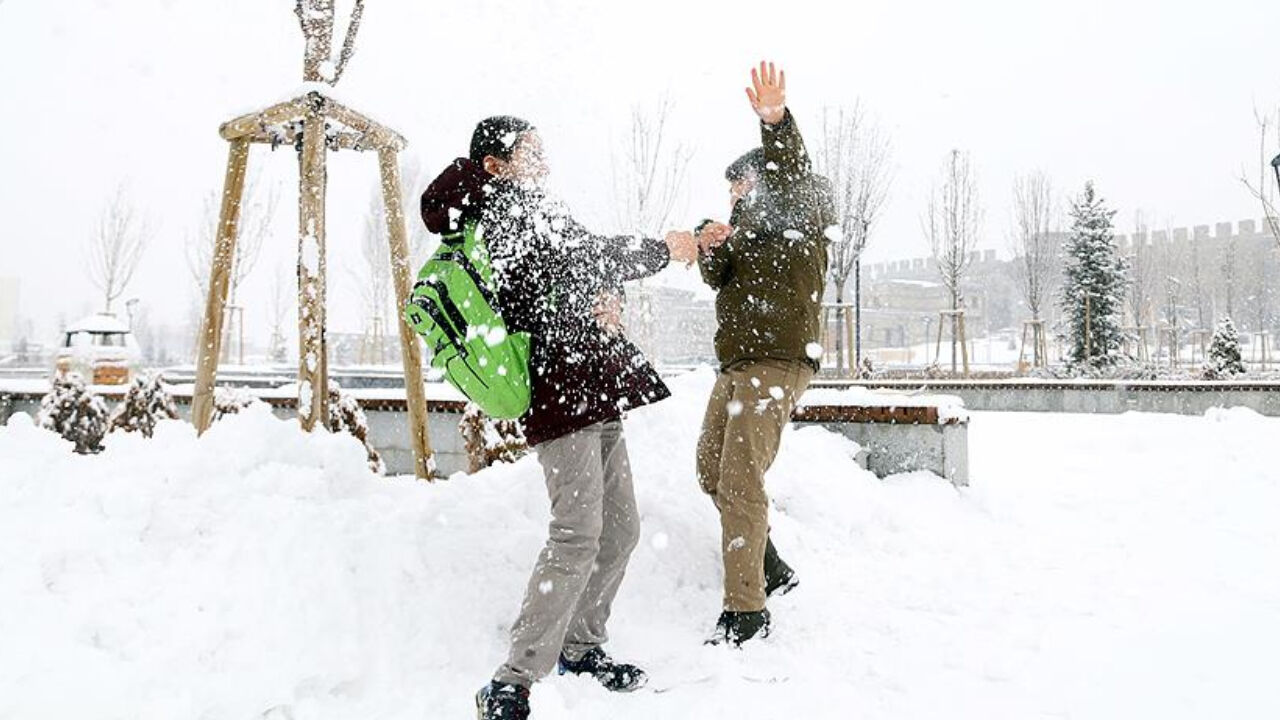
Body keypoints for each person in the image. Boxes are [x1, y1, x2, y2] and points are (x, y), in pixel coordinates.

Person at [419, 116, 699, 720]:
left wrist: (604, 300)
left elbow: (574, 275)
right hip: (557, 392)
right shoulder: (498, 213)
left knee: (620, 529)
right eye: (531, 152)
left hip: (591, 384)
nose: (544, 161)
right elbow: (579, 262)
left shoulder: (535, 208)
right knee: (576, 532)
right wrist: (662, 250)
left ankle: (581, 646)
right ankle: (512, 680)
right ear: (495, 165)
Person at [693, 62, 835, 646]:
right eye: (730, 191)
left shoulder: (799, 208)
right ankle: (770, 565)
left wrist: (775, 122)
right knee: (711, 469)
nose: (735, 197)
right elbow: (717, 278)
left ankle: (746, 611)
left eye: (741, 187)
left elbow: (791, 170)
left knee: (740, 479)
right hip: (738, 364)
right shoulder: (746, 233)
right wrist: (709, 243)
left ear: (766, 181)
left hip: (777, 361)